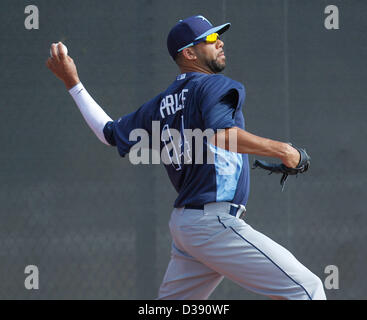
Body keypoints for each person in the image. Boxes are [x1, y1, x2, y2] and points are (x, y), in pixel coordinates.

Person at [46, 15, 326, 300]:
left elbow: (107, 133)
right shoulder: (213, 85)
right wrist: (286, 151)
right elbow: (221, 135)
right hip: (212, 224)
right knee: (307, 290)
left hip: (188, 226)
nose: (220, 42)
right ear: (189, 53)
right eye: (210, 39)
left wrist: (73, 83)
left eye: (218, 37)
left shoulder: (160, 105)